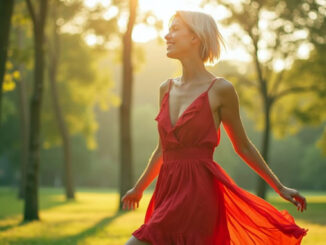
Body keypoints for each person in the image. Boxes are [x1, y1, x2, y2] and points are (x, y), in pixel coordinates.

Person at [121, 10, 308, 245]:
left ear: (195, 37)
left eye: (175, 29)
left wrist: (279, 187)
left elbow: (244, 147)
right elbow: (162, 150)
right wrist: (138, 189)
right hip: (167, 193)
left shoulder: (221, 90)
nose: (167, 35)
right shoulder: (165, 89)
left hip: (199, 196)